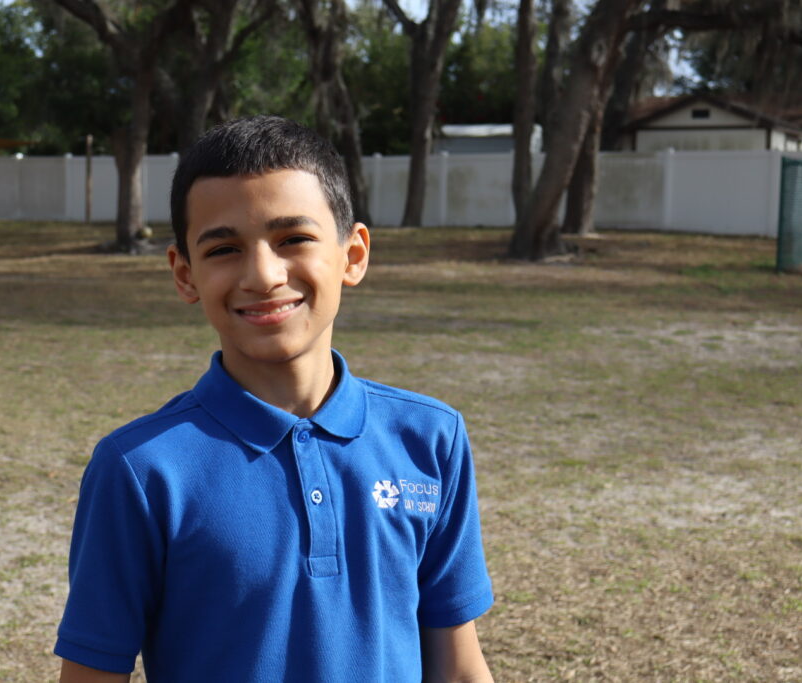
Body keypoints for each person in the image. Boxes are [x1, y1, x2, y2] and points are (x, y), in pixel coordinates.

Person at [54, 116, 495, 683]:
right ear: (185, 275)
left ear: (353, 255)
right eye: (224, 249)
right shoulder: (141, 470)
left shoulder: (430, 440)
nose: (263, 275)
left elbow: (458, 668)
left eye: (293, 240)